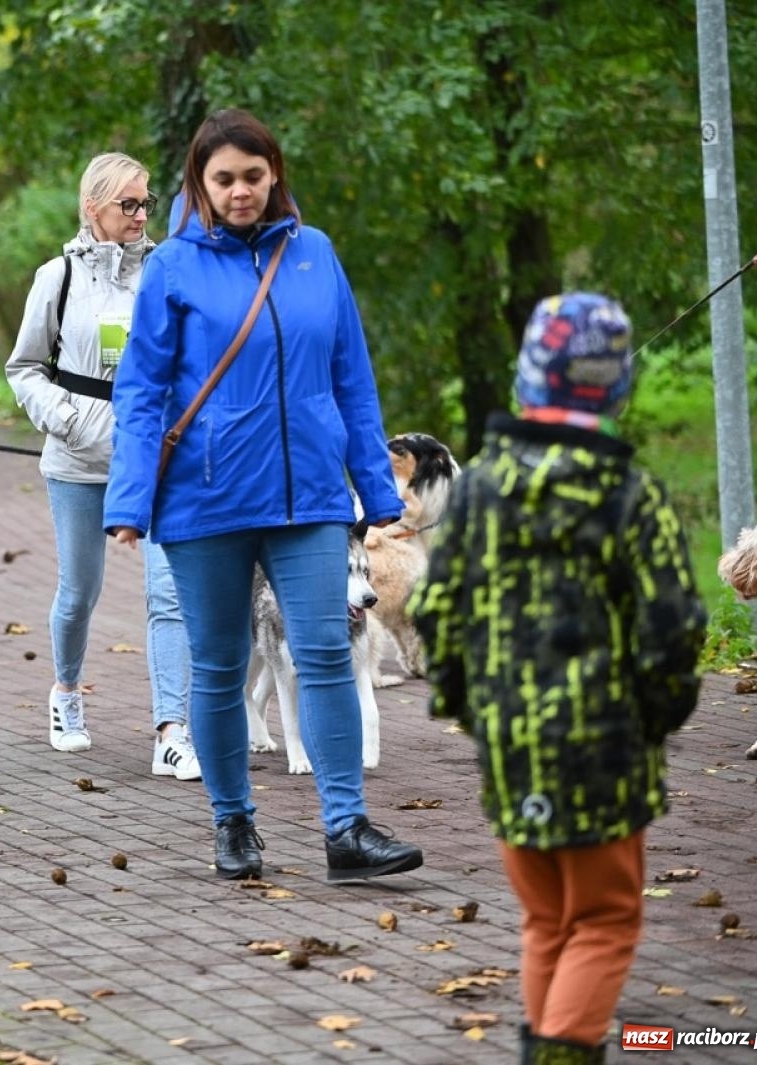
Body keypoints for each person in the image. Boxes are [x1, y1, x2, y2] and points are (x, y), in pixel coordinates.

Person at [103, 109, 423, 883]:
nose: (240, 191)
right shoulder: (174, 268)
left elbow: (351, 376)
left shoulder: (314, 255)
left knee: (324, 653)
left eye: (253, 175)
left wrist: (377, 489)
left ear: (273, 172)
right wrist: (127, 501)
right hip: (205, 501)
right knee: (219, 663)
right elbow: (142, 391)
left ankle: (346, 828)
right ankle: (232, 821)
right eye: (224, 179)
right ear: (201, 186)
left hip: (311, 498)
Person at [409, 294, 707, 1065]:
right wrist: (657, 716)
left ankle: (542, 1047)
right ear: (614, 385)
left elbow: (437, 611)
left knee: (546, 921)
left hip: (511, 743)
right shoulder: (629, 494)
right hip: (607, 747)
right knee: (604, 920)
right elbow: (673, 622)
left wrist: (474, 709)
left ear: (530, 379)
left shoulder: (477, 491)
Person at [4, 152, 199, 780]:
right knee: (79, 593)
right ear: (94, 208)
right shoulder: (57, 277)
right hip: (78, 457)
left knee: (168, 593)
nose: (142, 215)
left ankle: (172, 729)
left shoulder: (166, 272)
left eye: (147, 202)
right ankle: (65, 692)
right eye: (129, 204)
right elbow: (24, 367)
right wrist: (67, 420)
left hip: (155, 460)